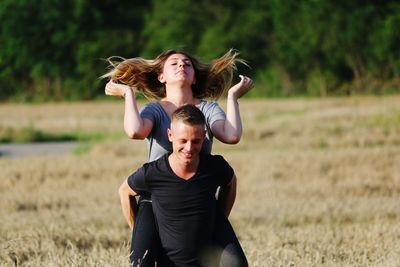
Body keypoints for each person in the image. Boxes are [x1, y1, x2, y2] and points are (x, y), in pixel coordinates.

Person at [102, 49, 253, 265]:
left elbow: (232, 135)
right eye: (174, 63)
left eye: (187, 64)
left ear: (194, 77)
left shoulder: (208, 108)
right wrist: (128, 95)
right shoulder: (154, 110)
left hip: (198, 196)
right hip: (156, 201)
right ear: (161, 76)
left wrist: (232, 97)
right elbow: (135, 131)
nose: (182, 65)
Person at [118, 104, 247, 266]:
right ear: (170, 135)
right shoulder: (153, 172)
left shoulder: (214, 167)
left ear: (204, 136)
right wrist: (138, 232)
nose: (189, 148)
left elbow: (230, 182)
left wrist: (219, 217)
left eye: (196, 141)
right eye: (183, 141)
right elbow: (125, 191)